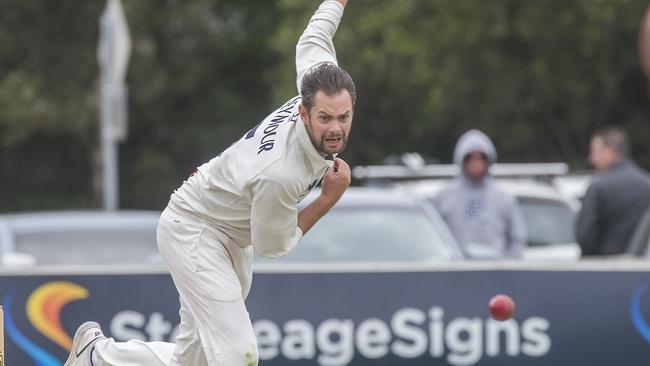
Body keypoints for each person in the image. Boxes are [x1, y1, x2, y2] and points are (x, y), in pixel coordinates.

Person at [64, 1, 354, 365]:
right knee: (240, 355)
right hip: (195, 230)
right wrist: (327, 199)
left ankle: (97, 357)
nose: (335, 128)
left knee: (193, 361)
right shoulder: (281, 172)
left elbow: (314, 35)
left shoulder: (316, 83)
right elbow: (273, 245)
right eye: (325, 118)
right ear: (304, 112)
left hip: (229, 237)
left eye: (343, 117)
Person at [432, 129, 527, 259]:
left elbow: (518, 239)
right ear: (461, 160)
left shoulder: (504, 198)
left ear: (489, 160)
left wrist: (507, 267)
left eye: (481, 158)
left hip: (496, 272)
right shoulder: (443, 197)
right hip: (457, 272)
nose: (476, 163)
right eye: (470, 158)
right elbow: (433, 238)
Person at [576, 126, 650, 257]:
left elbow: (585, 235)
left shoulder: (599, 186)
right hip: (643, 268)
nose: (591, 158)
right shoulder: (646, 183)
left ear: (610, 151)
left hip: (606, 268)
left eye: (594, 151)